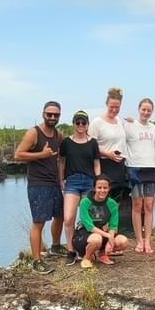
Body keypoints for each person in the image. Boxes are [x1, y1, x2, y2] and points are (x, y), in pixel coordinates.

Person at [14, 101, 66, 274]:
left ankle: (56, 246)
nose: (52, 117)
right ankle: (37, 261)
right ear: (43, 114)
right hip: (38, 184)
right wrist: (41, 155)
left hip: (53, 183)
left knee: (60, 216)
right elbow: (18, 155)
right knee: (39, 222)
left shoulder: (58, 135)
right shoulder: (33, 133)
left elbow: (59, 160)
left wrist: (61, 180)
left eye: (56, 115)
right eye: (49, 114)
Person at [59, 110, 100, 266]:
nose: (81, 125)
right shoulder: (66, 142)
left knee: (87, 219)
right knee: (69, 218)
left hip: (89, 181)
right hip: (72, 181)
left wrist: (98, 181)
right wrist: (61, 179)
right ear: (73, 124)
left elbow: (96, 164)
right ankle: (71, 250)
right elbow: (61, 162)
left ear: (88, 124)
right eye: (78, 123)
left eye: (83, 123)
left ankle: (88, 249)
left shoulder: (93, 142)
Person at [124, 98, 155, 254]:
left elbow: (153, 147)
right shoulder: (130, 125)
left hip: (151, 168)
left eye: (149, 110)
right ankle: (139, 240)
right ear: (139, 109)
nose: (146, 112)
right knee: (137, 205)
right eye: (143, 109)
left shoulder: (153, 127)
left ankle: (148, 241)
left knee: (149, 206)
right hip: (135, 168)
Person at [73, 175, 130, 269]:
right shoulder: (85, 202)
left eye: (105, 188)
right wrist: (108, 236)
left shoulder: (112, 204)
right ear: (94, 188)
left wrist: (110, 240)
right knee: (96, 239)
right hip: (84, 234)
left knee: (123, 241)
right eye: (99, 187)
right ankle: (86, 258)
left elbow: (113, 226)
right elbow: (89, 226)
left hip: (102, 232)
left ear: (109, 188)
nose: (102, 190)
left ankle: (102, 254)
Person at [89, 87, 128, 199]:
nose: (114, 110)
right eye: (112, 107)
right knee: (103, 200)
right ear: (107, 104)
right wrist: (107, 154)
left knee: (116, 202)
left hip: (120, 166)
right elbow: (91, 146)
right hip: (105, 165)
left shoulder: (119, 121)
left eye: (117, 107)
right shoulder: (97, 122)